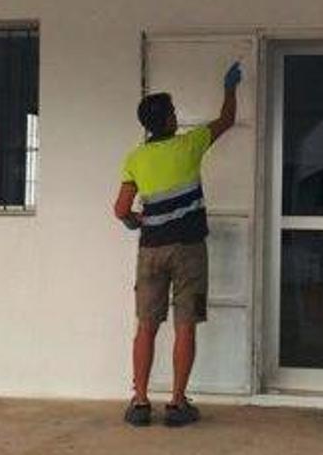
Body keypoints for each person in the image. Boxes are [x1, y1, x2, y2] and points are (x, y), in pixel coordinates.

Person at [113, 62, 242, 427]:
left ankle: (139, 403)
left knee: (146, 326)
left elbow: (121, 208)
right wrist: (230, 89)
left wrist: (135, 221)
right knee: (185, 325)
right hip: (188, 250)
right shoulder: (190, 144)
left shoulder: (135, 158)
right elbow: (227, 119)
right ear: (167, 120)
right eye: (172, 112)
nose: (175, 116)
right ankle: (177, 404)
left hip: (150, 252)